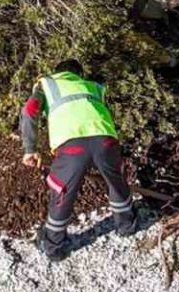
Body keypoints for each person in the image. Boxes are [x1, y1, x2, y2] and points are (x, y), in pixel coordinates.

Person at [19, 60, 139, 259]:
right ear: (79, 74)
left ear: (57, 73)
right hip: (105, 140)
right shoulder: (91, 86)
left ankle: (53, 246)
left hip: (72, 146)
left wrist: (30, 149)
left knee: (62, 192)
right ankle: (127, 226)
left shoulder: (47, 84)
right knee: (117, 181)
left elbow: (29, 111)